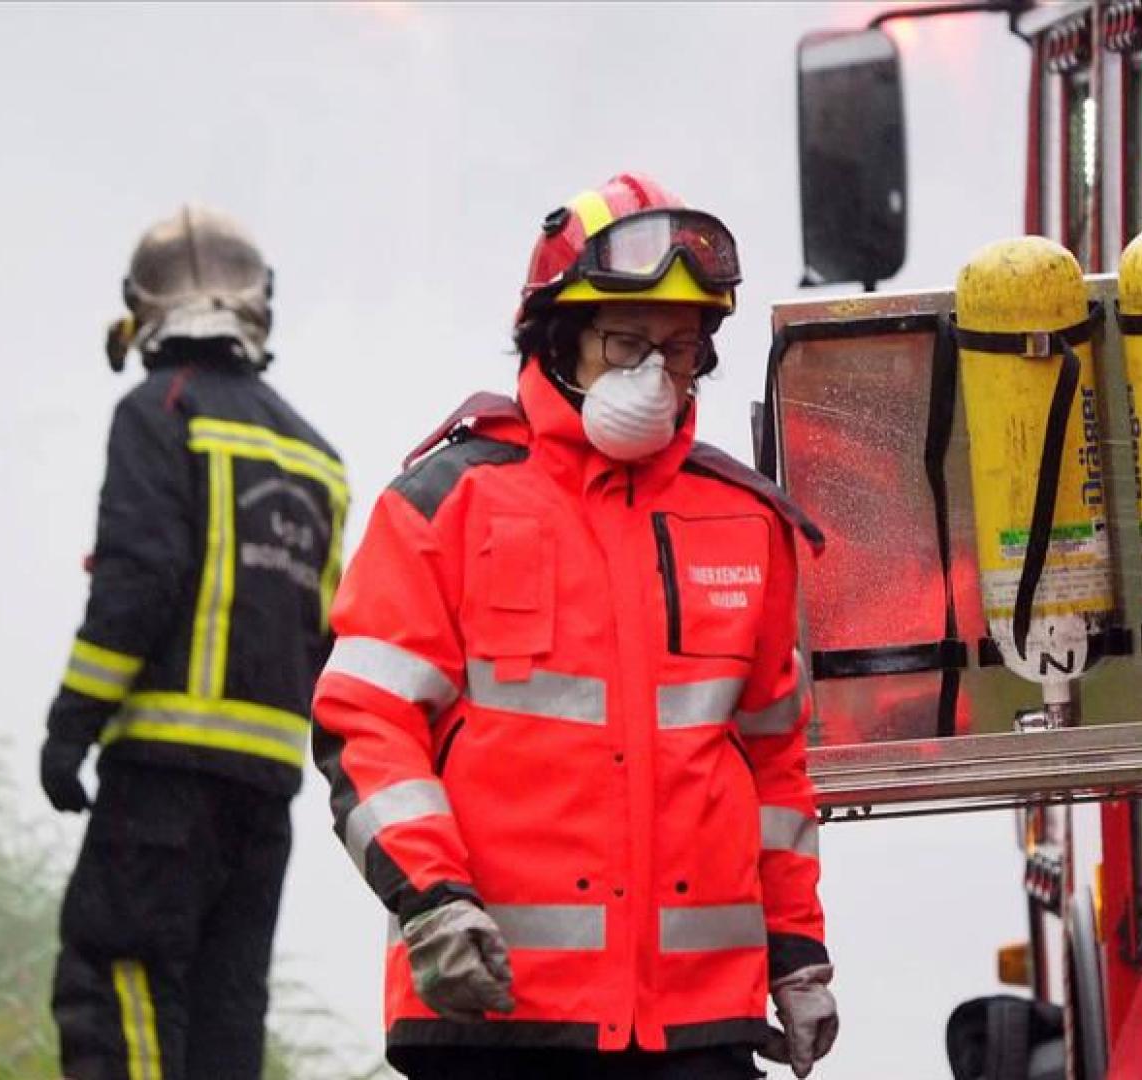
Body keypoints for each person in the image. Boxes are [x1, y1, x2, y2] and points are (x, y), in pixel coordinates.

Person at [311, 172, 838, 1080]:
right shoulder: (446, 505)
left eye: (680, 349)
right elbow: (367, 726)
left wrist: (795, 950)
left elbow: (773, 768)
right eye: (627, 341)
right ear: (557, 338)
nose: (654, 373)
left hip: (697, 1028)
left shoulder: (748, 524)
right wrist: (432, 899)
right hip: (494, 1014)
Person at [41, 205, 348, 1080]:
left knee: (121, 982)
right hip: (263, 795)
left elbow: (138, 581)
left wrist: (71, 728)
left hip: (163, 785)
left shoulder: (157, 411)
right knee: (225, 1016)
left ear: (144, 310)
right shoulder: (316, 457)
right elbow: (325, 635)